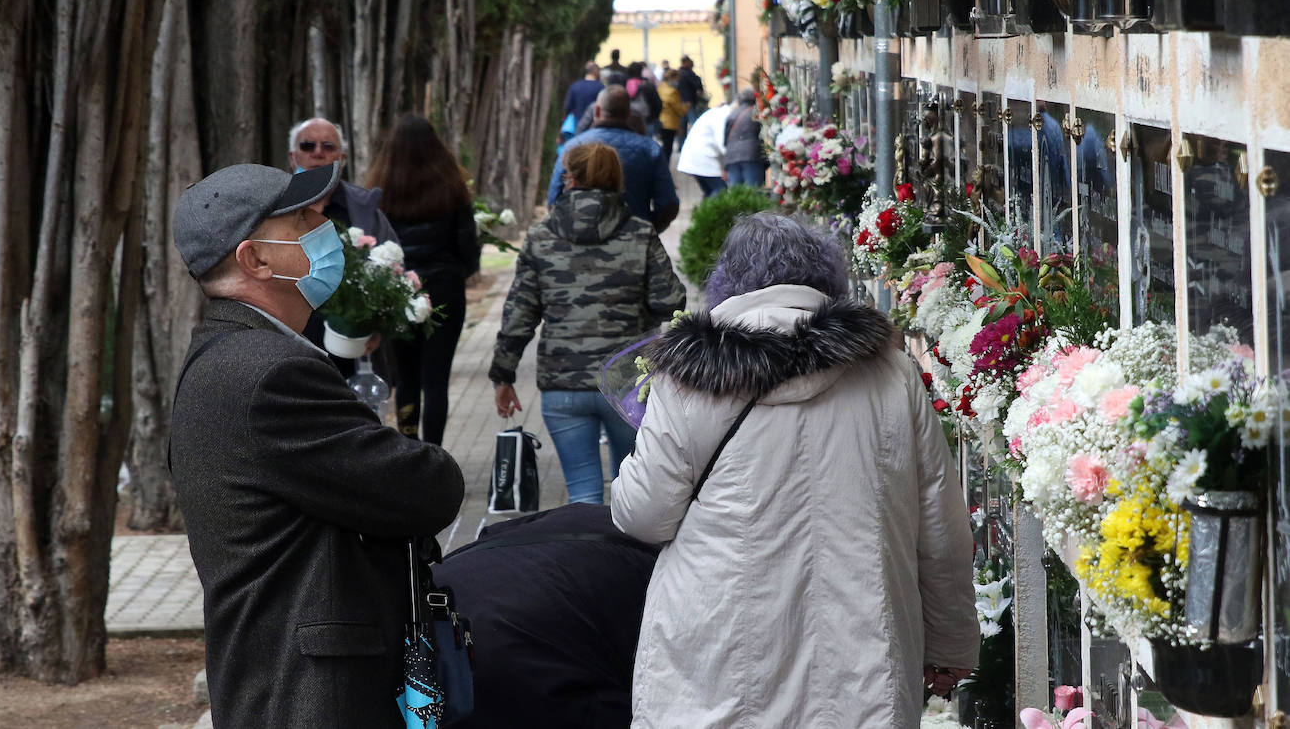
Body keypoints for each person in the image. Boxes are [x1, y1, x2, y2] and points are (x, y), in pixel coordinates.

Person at [611, 212, 979, 726]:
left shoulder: (685, 378)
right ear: (825, 280)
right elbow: (940, 529)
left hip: (718, 651)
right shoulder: (891, 372)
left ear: (728, 282)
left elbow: (643, 517)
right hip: (863, 653)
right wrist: (951, 643)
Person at [169, 161, 465, 728]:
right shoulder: (268, 373)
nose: (322, 223)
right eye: (301, 218)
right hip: (313, 695)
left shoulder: (230, 354)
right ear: (253, 259)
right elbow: (427, 489)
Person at [493, 143, 686, 504]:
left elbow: (519, 313)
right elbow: (670, 302)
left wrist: (502, 376)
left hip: (563, 384)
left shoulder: (540, 235)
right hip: (628, 382)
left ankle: (587, 558)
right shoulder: (640, 233)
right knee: (632, 489)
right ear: (616, 178)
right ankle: (627, 560)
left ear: (570, 178)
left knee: (582, 492)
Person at [433, 503, 659, 729]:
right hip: (504, 650)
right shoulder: (666, 589)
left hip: (436, 595)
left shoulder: (593, 513)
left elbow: (492, 532)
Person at [369, 115, 480, 446]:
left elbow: (374, 244)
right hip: (444, 289)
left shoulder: (381, 191)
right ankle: (435, 452)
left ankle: (408, 446)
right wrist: (456, 271)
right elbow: (468, 246)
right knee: (436, 379)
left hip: (397, 290)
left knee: (405, 376)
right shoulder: (452, 188)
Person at [287, 116, 399, 377]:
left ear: (342, 159)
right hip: (290, 348)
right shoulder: (275, 207)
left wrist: (380, 327)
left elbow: (394, 271)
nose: (318, 153)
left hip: (353, 349)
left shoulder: (363, 208)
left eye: (328, 147)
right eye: (307, 146)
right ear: (293, 157)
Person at [547, 86, 680, 233]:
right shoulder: (650, 149)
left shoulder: (572, 147)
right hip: (633, 245)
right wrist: (646, 231)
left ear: (596, 111)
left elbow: (554, 200)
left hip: (580, 242)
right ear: (629, 113)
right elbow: (668, 205)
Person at [676, 101, 733, 199]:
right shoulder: (723, 115)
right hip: (703, 160)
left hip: (697, 158)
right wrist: (729, 159)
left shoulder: (717, 113)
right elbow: (721, 142)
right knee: (720, 190)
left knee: (710, 191)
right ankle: (707, 213)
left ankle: (703, 213)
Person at [722, 88, 767, 187]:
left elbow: (725, 140)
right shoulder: (757, 113)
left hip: (732, 156)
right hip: (751, 155)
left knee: (737, 193)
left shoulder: (732, 114)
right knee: (753, 191)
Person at [563, 62, 606, 126]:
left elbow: (568, 106)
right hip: (593, 126)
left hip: (576, 124)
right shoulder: (601, 88)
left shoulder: (575, 86)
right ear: (596, 72)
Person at [675, 55, 705, 142]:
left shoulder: (678, 73)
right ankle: (695, 142)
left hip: (679, 102)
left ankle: (681, 144)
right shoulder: (689, 74)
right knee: (694, 123)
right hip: (689, 102)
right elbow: (698, 86)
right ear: (687, 63)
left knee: (682, 125)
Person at [656, 69, 685, 161]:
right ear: (673, 78)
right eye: (677, 79)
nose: (678, 82)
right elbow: (679, 109)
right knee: (668, 147)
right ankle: (665, 168)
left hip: (660, 120)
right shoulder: (673, 92)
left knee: (664, 145)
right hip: (670, 122)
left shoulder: (660, 88)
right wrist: (686, 108)